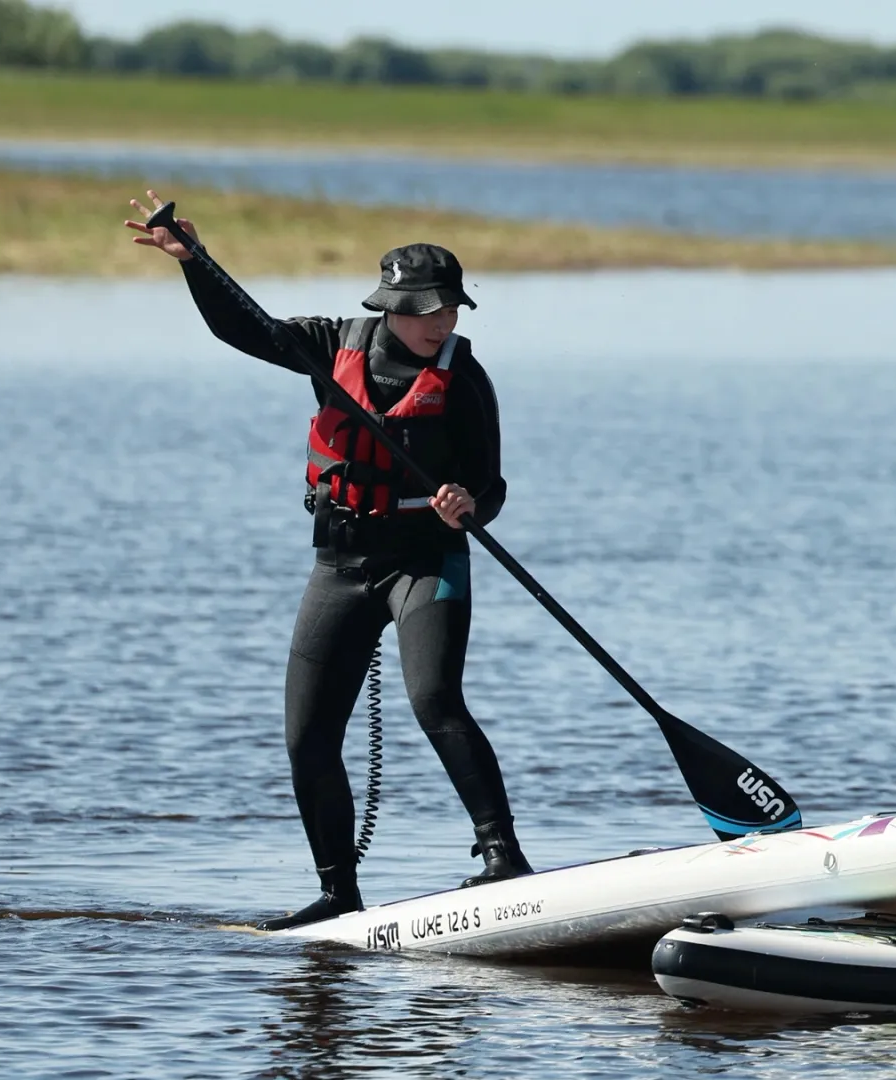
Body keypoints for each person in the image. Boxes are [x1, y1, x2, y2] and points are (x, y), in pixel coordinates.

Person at [125, 192, 534, 930]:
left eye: (451, 310)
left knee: (434, 700)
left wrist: (467, 505)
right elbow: (243, 328)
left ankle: (502, 858)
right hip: (341, 566)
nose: (442, 321)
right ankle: (338, 891)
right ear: (393, 307)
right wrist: (195, 262)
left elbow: (492, 485)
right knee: (307, 736)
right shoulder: (330, 342)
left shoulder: (465, 380)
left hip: (425, 561)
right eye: (429, 310)